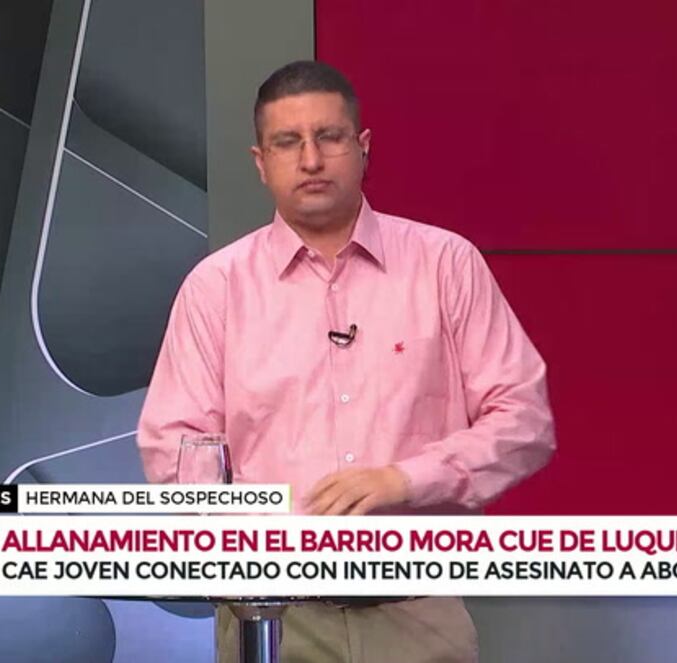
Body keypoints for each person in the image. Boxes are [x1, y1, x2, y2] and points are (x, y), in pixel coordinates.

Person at [136, 60, 556, 663]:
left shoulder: (445, 264)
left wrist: (406, 480)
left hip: (416, 613)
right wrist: (263, 541)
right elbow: (176, 448)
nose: (310, 160)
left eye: (328, 137)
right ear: (261, 162)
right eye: (288, 142)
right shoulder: (217, 287)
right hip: (270, 618)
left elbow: (523, 420)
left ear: (363, 147)